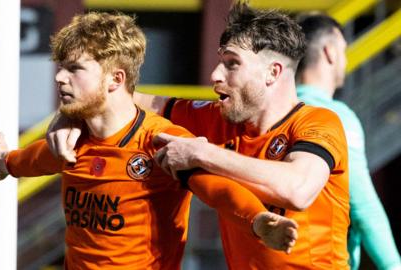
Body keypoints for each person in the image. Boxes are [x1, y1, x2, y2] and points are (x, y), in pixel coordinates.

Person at [45, 3, 351, 269]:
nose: (215, 75)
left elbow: (298, 189)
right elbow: (125, 98)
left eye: (232, 64)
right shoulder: (216, 119)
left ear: (272, 73)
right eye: (220, 61)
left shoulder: (319, 122)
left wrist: (202, 153)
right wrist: (70, 112)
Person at [0, 12, 298, 270]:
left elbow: (216, 188)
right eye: (60, 67)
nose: (59, 78)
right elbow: (34, 160)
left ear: (116, 79)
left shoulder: (161, 140)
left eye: (74, 69)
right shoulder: (69, 140)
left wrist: (258, 220)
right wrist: (6, 162)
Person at [295, 13, 401, 270]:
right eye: (343, 49)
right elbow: (364, 208)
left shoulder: (272, 111)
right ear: (330, 52)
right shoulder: (335, 117)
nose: (345, 58)